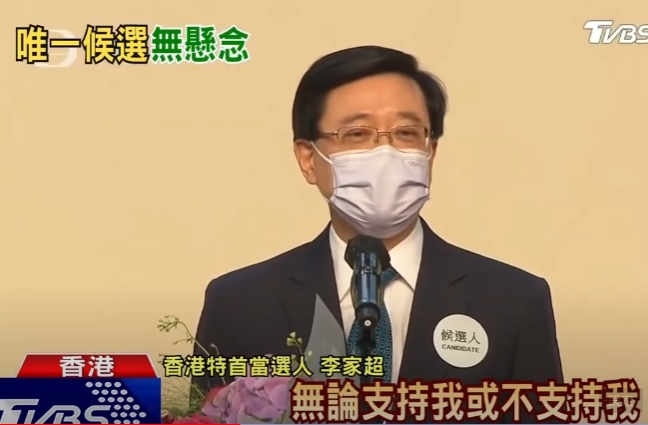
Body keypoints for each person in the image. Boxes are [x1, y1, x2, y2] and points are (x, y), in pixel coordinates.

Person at [193, 46, 563, 423]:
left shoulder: (514, 301)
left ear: (430, 152)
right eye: (357, 133)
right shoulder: (239, 303)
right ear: (308, 159)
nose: (385, 152)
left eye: (406, 133)